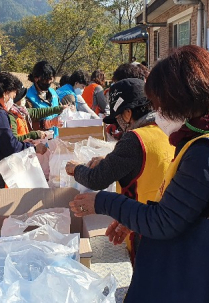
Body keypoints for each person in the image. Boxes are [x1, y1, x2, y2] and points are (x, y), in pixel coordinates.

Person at [69, 45, 209, 302]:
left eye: (160, 104)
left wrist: (102, 202)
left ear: (181, 99)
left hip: (195, 284)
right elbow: (180, 210)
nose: (158, 113)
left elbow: (164, 222)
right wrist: (132, 219)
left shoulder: (203, 152)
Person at [65, 78, 174, 263]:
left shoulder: (134, 139)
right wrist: (108, 160)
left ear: (128, 113)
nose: (118, 124)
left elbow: (96, 180)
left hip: (141, 227)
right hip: (167, 223)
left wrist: (75, 169)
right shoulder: (168, 131)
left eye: (119, 118)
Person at [25, 61, 62, 135]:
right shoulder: (28, 97)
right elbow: (27, 124)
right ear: (36, 78)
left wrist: (67, 110)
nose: (48, 82)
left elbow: (59, 109)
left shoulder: (53, 92)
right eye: (45, 79)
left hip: (55, 138)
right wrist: (48, 123)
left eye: (50, 79)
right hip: (40, 142)